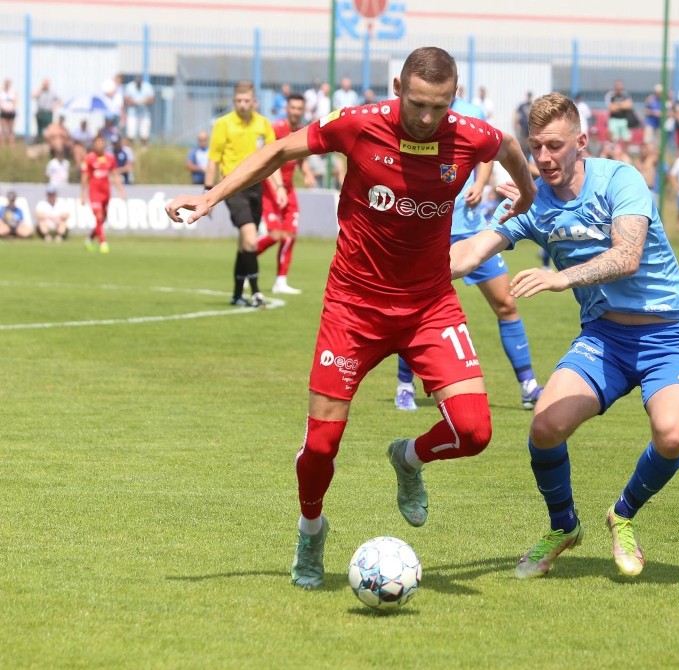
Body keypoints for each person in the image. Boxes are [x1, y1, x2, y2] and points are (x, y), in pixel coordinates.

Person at [165, 46, 536, 590]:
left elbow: (505, 144)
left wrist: (525, 193)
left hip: (429, 304)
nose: (426, 118)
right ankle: (311, 529)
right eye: (416, 103)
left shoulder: (469, 134)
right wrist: (211, 197)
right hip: (353, 308)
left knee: (476, 430)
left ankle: (407, 458)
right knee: (320, 445)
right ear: (396, 87)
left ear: (453, 97)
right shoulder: (359, 125)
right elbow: (280, 152)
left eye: (438, 106)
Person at [449, 92, 679, 579]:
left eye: (554, 146)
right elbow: (468, 255)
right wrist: (404, 275)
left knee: (672, 434)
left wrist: (561, 277)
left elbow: (627, 255)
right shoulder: (532, 203)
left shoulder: (620, 180)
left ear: (581, 142)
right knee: (544, 428)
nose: (543, 158)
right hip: (605, 338)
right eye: (535, 147)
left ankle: (623, 514)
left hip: (668, 334)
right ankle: (563, 527)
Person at [394, 93, 544, 412]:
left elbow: (487, 150)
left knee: (506, 303)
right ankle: (404, 386)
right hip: (430, 232)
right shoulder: (415, 116)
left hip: (473, 229)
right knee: (414, 308)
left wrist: (481, 182)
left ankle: (529, 386)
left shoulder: (471, 112)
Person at [204, 81, 282, 308]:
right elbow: (213, 159)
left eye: (246, 100)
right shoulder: (223, 124)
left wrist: (279, 187)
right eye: (238, 101)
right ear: (233, 101)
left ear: (254, 101)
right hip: (232, 186)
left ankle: (237, 295)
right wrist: (208, 193)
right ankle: (256, 293)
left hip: (256, 187)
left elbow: (273, 157)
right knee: (250, 238)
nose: (242, 104)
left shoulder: (263, 124)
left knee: (244, 244)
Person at [256, 92, 316, 295]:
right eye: (293, 108)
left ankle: (280, 281)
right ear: (287, 109)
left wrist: (307, 174)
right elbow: (267, 159)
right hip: (272, 188)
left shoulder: (301, 131)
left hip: (289, 190)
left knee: (290, 234)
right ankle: (247, 260)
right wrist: (278, 188)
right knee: (274, 235)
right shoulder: (277, 129)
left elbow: (301, 158)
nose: (296, 112)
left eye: (300, 108)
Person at [81, 135, 125, 253]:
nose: (100, 144)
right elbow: (85, 177)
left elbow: (115, 175)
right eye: (97, 142)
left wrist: (121, 191)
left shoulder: (110, 158)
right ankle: (103, 243)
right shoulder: (89, 159)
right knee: (99, 217)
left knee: (102, 219)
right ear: (94, 144)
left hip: (106, 193)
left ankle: (89, 239)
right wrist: (82, 194)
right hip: (94, 193)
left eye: (102, 142)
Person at [123, 75, 155, 146]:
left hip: (144, 113)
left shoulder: (147, 86)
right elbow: (126, 100)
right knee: (130, 134)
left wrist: (143, 102)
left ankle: (144, 149)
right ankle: (129, 149)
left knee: (144, 134)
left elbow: (151, 99)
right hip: (132, 113)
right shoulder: (129, 86)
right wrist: (134, 102)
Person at [603, 79, 633, 144]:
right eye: (617, 86)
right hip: (614, 119)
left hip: (624, 119)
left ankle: (624, 153)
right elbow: (611, 108)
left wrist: (617, 104)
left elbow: (629, 106)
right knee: (613, 139)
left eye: (620, 86)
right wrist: (622, 104)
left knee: (626, 139)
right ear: (615, 87)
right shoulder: (610, 95)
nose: (619, 88)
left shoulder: (626, 94)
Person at [515, 91, 533, 159]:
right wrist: (517, 123)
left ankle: (529, 156)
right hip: (523, 127)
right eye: (528, 96)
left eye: (530, 96)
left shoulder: (532, 104)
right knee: (522, 141)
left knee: (530, 140)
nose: (529, 97)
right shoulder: (522, 105)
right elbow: (516, 114)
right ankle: (523, 155)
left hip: (530, 126)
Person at [0, 78, 16, 146]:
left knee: (11, 129)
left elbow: (15, 102)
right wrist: (4, 109)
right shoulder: (1, 92)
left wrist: (11, 109)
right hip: (3, 111)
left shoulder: (13, 92)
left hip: (11, 112)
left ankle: (12, 145)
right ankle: (2, 145)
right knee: (3, 129)